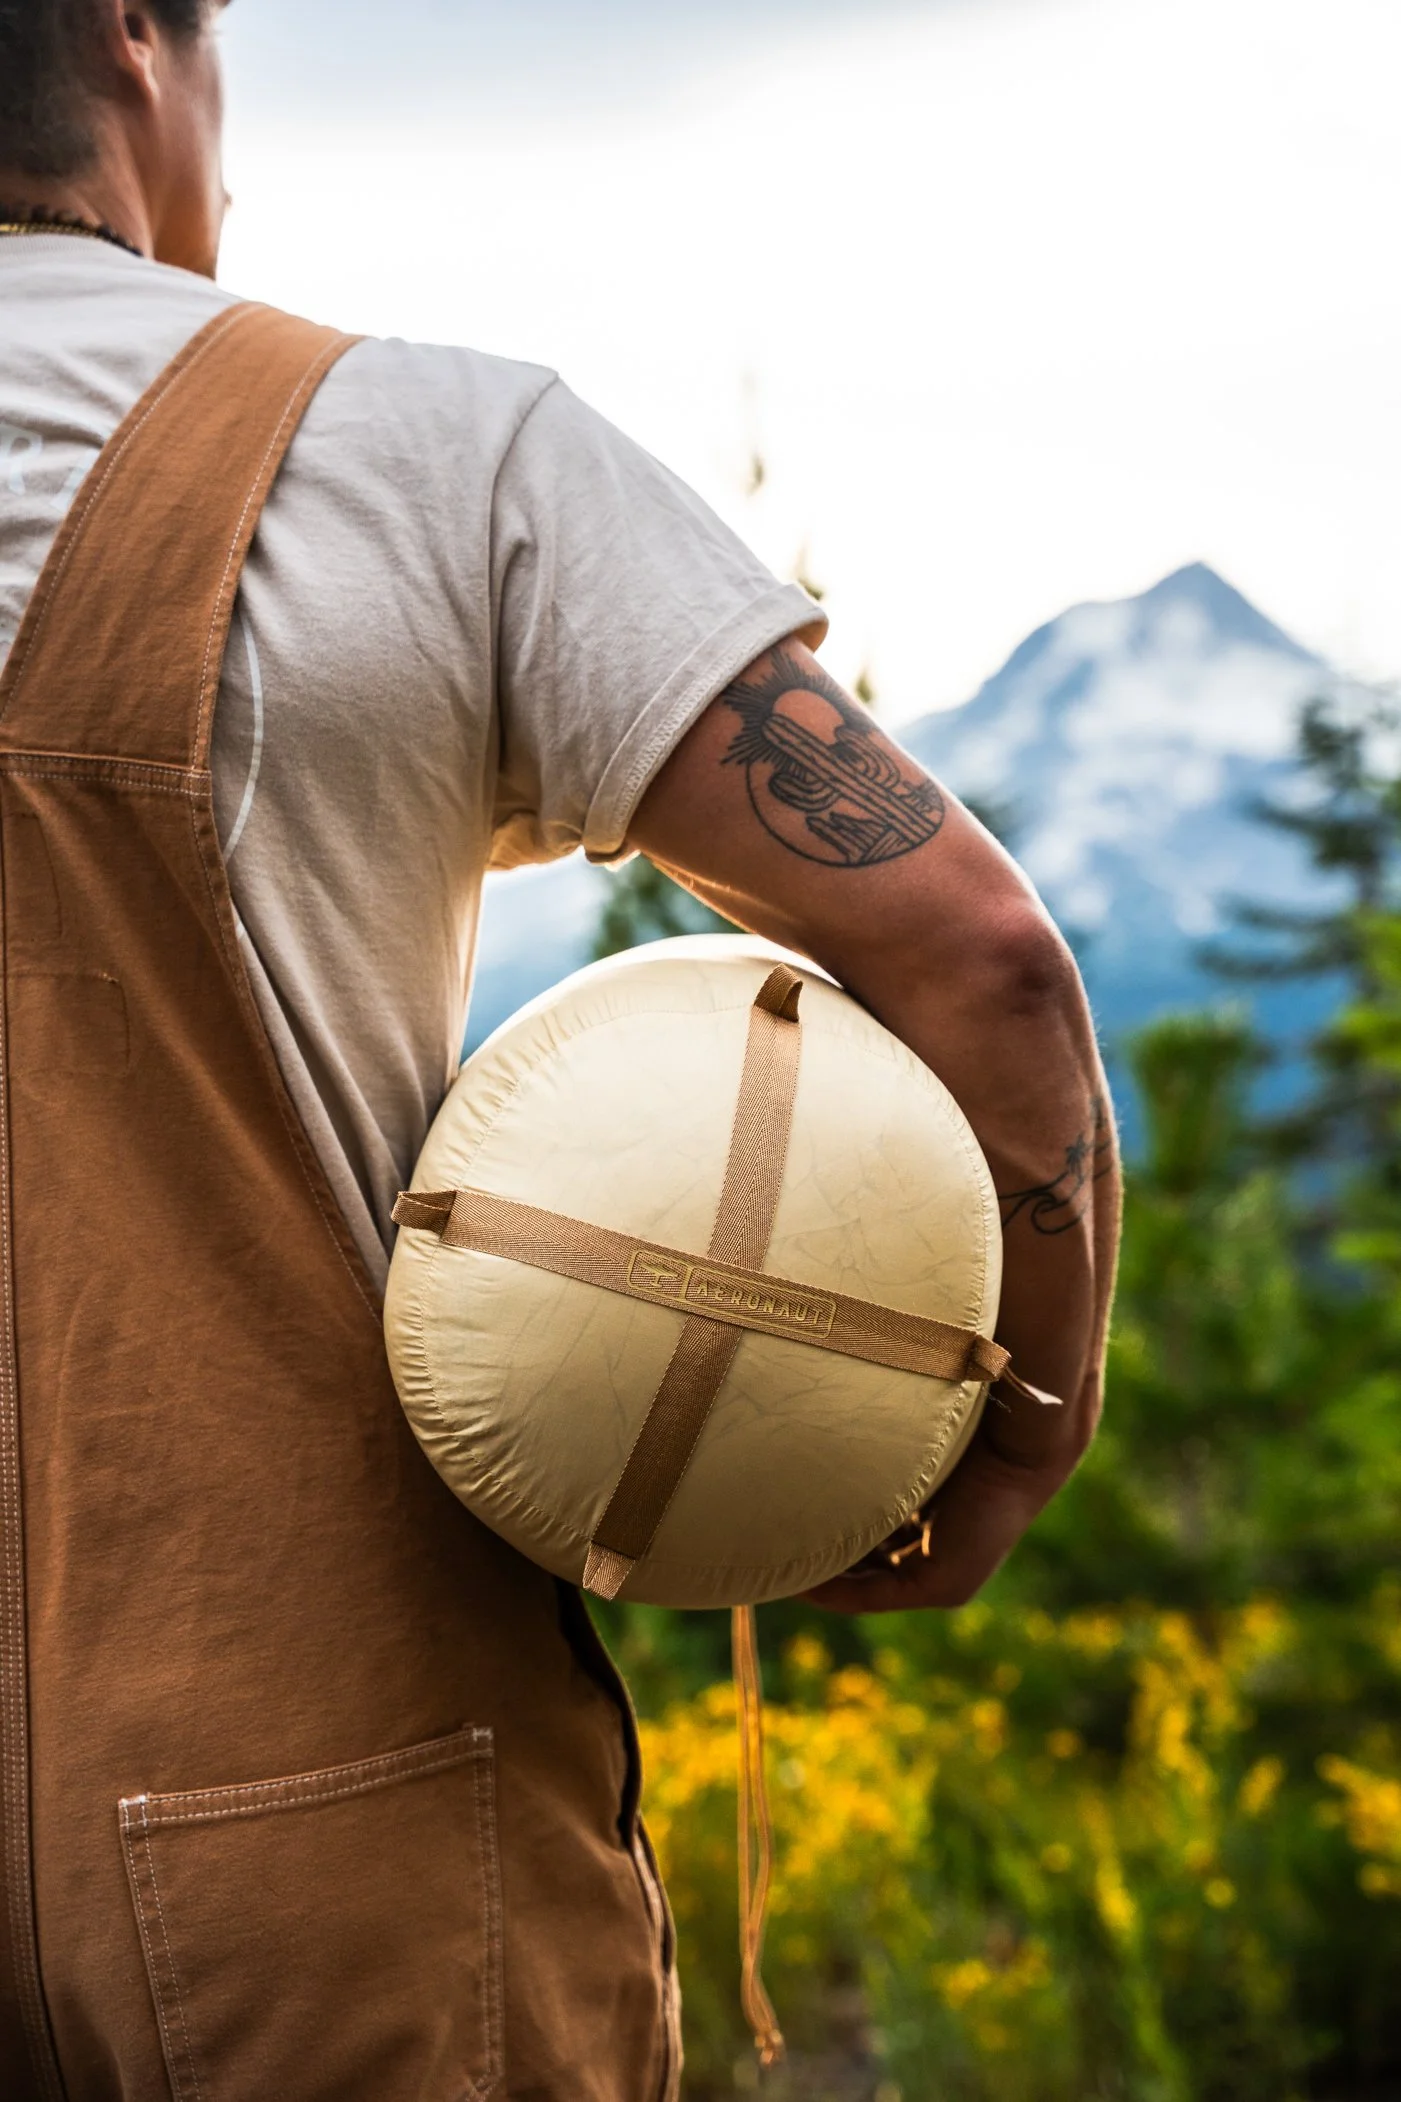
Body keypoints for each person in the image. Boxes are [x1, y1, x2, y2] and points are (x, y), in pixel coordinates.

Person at [0, 3, 1120, 2097]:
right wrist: (1008, 1432)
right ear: (139, 42)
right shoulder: (418, 456)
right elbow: (983, 963)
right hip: (316, 1814)